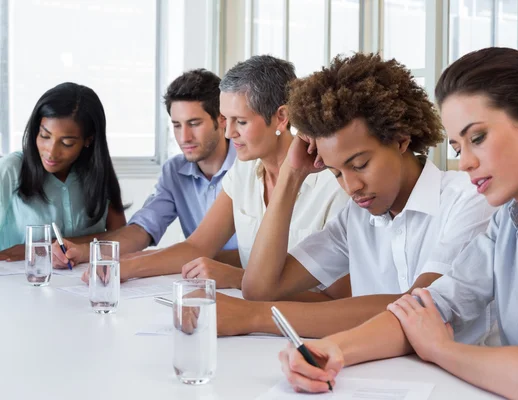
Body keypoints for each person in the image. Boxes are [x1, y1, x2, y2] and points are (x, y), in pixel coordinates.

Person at [277, 47, 518, 399]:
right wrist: (336, 350)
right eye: (460, 148)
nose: (464, 164)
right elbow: (427, 307)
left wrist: (441, 349)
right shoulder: (508, 224)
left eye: (478, 138)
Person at [212, 53, 495, 339]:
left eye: (359, 165)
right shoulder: (355, 218)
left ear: (400, 140)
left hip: (457, 382)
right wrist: (291, 175)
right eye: (336, 172)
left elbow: (420, 306)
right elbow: (260, 288)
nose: (351, 187)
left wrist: (255, 318)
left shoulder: (468, 199)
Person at [96, 55, 348, 288]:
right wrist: (125, 267)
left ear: (281, 117)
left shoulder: (334, 184)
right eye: (227, 121)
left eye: (241, 121)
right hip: (251, 316)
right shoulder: (245, 169)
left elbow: (337, 296)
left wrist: (240, 279)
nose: (229, 134)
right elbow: (197, 245)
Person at [52, 69, 239, 270]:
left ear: (222, 119)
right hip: (200, 282)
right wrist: (85, 252)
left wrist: (161, 260)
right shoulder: (175, 171)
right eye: (177, 125)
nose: (184, 137)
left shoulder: (248, 167)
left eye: (194, 124)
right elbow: (142, 230)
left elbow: (255, 257)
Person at [0, 82, 126, 260]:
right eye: (44, 136)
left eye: (67, 143)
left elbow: (124, 241)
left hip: (83, 283)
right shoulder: (10, 170)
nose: (51, 152)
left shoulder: (97, 172)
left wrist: (41, 248)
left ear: (88, 140)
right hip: (21, 282)